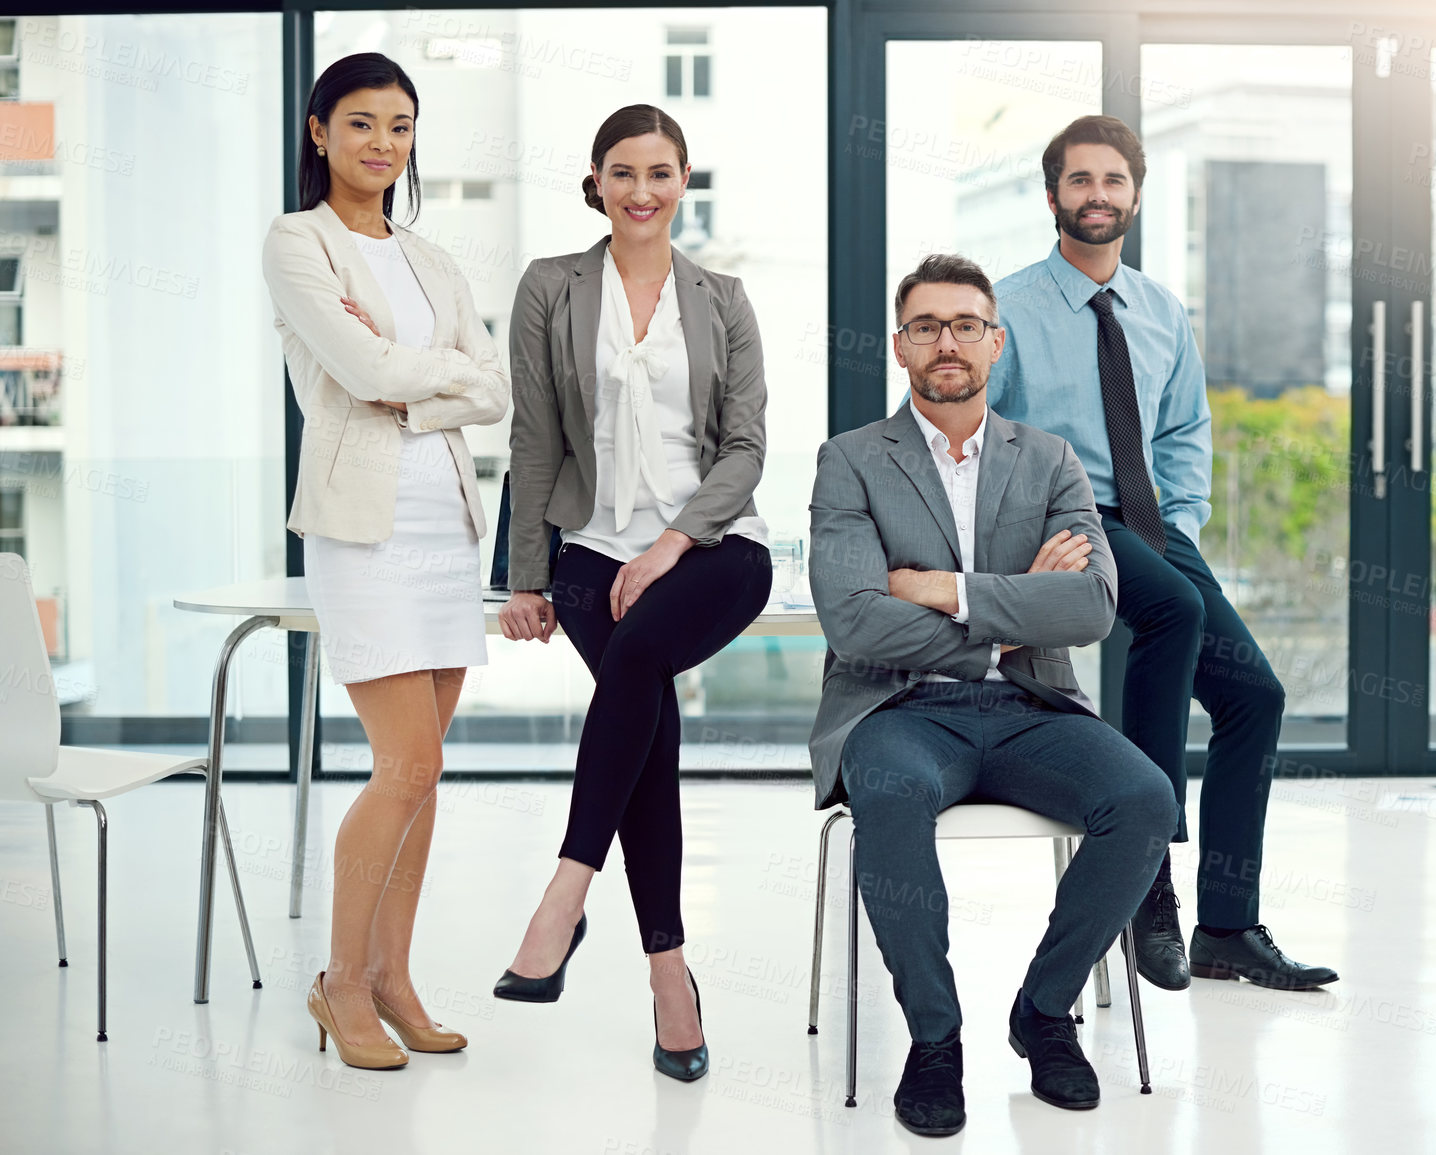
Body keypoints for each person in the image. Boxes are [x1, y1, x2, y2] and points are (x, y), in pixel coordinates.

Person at [808, 253, 1177, 1136]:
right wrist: (1013, 614)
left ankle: (1044, 1012)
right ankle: (935, 1039)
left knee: (1144, 798)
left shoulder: (1050, 461)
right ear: (900, 347)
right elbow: (854, 621)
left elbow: (1089, 606)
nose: (948, 342)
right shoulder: (850, 461)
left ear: (994, 342)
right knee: (889, 795)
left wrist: (944, 588)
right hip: (893, 709)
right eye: (927, 326)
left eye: (965, 324)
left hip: (1030, 707)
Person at [988, 114, 1338, 993]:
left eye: (1112, 180)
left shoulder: (1158, 310)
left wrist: (1177, 521)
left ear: (1134, 196)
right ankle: (1147, 888)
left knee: (1255, 695)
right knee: (1172, 611)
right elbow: (980, 436)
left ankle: (1226, 925)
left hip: (1151, 526)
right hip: (1061, 521)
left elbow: (1184, 427)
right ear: (1052, 195)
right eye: (1079, 180)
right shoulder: (1009, 308)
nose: (1096, 195)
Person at [494, 104, 772, 1083]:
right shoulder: (551, 287)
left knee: (641, 657)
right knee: (645, 707)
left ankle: (566, 891)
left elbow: (745, 448)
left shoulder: (723, 297)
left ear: (683, 182)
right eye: (623, 172)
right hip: (588, 552)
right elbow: (534, 439)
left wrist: (669, 546)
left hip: (716, 546)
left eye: (660, 173)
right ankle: (671, 981)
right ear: (598, 181)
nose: (641, 191)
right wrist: (525, 578)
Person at [262, 53, 507, 1070]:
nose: (382, 145)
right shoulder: (297, 243)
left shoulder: (430, 259)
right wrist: (419, 375)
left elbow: (490, 389)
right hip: (361, 529)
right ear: (319, 132)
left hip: (444, 525)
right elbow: (355, 369)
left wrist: (414, 381)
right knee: (404, 763)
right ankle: (342, 985)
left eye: (400, 126)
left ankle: (396, 978)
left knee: (425, 775)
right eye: (360, 124)